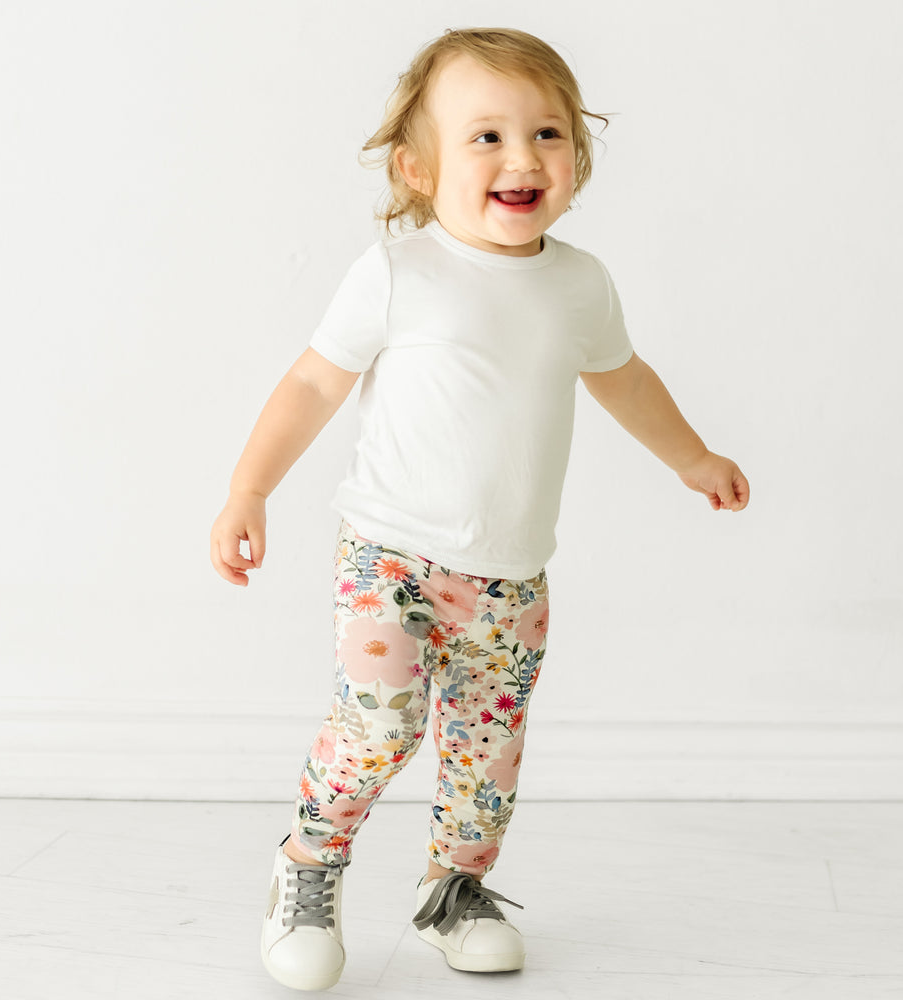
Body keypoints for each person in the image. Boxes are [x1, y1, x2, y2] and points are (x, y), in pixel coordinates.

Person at [210, 26, 749, 992]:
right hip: (391, 558)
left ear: (577, 158)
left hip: (511, 576)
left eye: (547, 133)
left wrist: (693, 456)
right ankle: (307, 862)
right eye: (486, 137)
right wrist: (249, 489)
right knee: (378, 726)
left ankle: (452, 892)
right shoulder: (397, 273)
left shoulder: (580, 282)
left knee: (486, 751)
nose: (522, 157)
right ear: (418, 168)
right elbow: (310, 386)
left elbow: (624, 381)